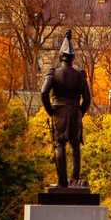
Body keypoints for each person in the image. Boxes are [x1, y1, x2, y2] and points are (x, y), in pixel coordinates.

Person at [40, 30, 91, 187]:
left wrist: (50, 110)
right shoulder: (79, 75)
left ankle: (62, 182)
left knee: (60, 144)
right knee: (75, 146)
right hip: (75, 111)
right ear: (72, 57)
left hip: (59, 112)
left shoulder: (54, 73)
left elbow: (43, 92)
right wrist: (80, 112)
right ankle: (74, 179)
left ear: (61, 56)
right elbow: (87, 98)